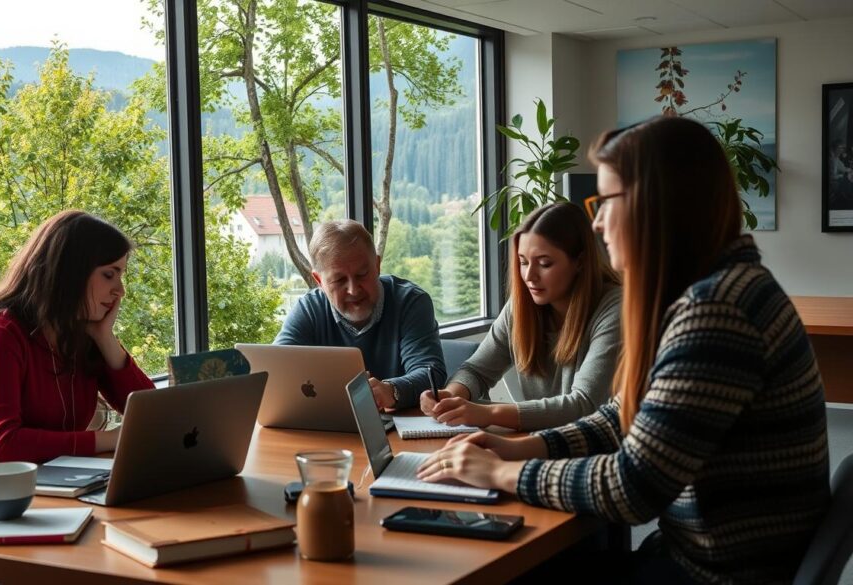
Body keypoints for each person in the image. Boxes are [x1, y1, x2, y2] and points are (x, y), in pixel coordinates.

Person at [417, 116, 830, 584]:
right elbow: (623, 415)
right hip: (704, 555)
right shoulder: (719, 290)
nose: (596, 221)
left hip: (718, 573)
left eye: (606, 201)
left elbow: (632, 488)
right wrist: (524, 448)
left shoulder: (717, 311)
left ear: (656, 206)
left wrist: (499, 474)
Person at [0, 211, 155, 479]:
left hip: (51, 486)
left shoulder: (80, 333)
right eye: (109, 275)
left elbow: (151, 415)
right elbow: (5, 446)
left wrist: (105, 338)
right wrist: (108, 439)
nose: (120, 290)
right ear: (70, 273)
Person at [419, 202, 621, 431]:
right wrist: (451, 396)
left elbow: (583, 405)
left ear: (580, 262)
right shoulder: (522, 306)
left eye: (545, 263)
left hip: (601, 453)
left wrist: (487, 413)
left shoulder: (614, 308)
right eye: (523, 262)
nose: (529, 276)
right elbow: (476, 371)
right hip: (542, 444)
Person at [274, 219, 444, 410]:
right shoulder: (309, 309)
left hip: (398, 429)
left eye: (362, 275)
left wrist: (391, 390)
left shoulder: (410, 302)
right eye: (339, 280)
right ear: (319, 280)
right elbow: (277, 370)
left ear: (377, 265)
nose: (354, 290)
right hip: (325, 430)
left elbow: (431, 373)